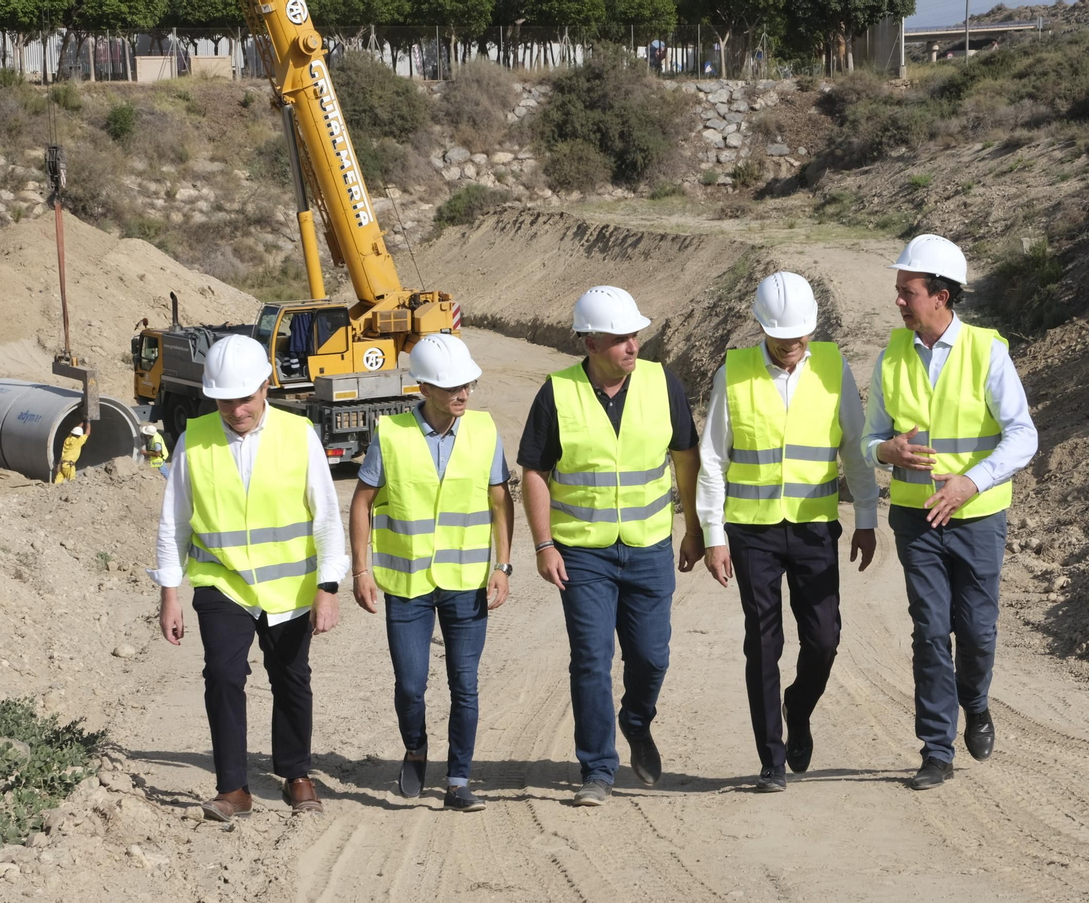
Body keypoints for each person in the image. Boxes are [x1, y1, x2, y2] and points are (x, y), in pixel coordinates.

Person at [862, 234, 1037, 791]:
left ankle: (976, 705)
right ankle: (936, 749)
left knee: (977, 631)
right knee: (932, 633)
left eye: (906, 291)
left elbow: (1023, 436)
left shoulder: (987, 351)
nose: (898, 301)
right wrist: (884, 451)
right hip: (916, 520)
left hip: (978, 517)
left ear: (940, 295)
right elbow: (869, 440)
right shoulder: (891, 354)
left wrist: (971, 482)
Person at [518, 286, 704, 807]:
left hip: (648, 547)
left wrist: (694, 529)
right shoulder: (557, 393)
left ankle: (637, 719)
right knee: (592, 660)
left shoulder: (662, 383)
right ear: (589, 342)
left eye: (635, 334)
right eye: (620, 337)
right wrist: (543, 544)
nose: (633, 344)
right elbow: (534, 470)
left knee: (652, 657)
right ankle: (597, 769)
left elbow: (685, 457)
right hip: (583, 553)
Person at [151, 334, 347, 819]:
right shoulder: (193, 440)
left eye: (244, 397)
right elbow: (173, 523)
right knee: (221, 674)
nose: (235, 408)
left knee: (291, 678)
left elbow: (326, 517)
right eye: (224, 399)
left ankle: (296, 773)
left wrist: (328, 587)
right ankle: (233, 789)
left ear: (265, 386)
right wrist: (169, 593)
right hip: (223, 584)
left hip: (290, 589)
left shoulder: (299, 434)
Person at [698, 272, 878, 793]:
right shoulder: (732, 373)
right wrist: (713, 533)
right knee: (763, 643)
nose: (793, 346)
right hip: (750, 531)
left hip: (814, 528)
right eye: (782, 337)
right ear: (760, 325)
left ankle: (797, 709)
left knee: (824, 639)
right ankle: (770, 761)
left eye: (801, 336)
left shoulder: (832, 367)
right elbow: (713, 459)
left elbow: (855, 447)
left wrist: (865, 517)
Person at [348, 335, 514, 814]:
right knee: (410, 684)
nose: (462, 394)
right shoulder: (392, 434)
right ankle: (416, 747)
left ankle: (459, 779)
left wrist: (502, 565)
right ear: (422, 386)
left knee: (465, 684)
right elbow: (362, 503)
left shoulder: (484, 431)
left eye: (467, 384)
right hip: (407, 586)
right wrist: (361, 568)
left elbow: (501, 500)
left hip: (465, 584)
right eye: (449, 386)